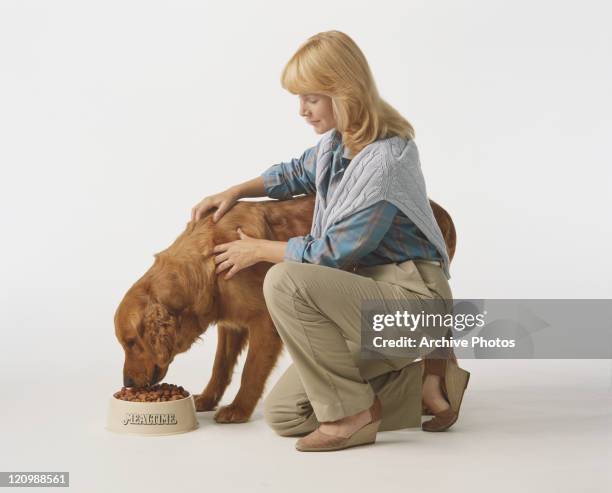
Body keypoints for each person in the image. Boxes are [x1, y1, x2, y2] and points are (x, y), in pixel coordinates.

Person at [191, 30, 470, 452]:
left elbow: (334, 252)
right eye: (298, 99)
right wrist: (234, 191)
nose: (302, 110)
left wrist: (260, 251)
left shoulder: (387, 161)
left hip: (411, 299)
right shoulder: (336, 147)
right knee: (288, 414)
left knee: (284, 280)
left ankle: (352, 418)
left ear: (345, 93)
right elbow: (292, 174)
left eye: (311, 98)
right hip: (364, 303)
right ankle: (432, 387)